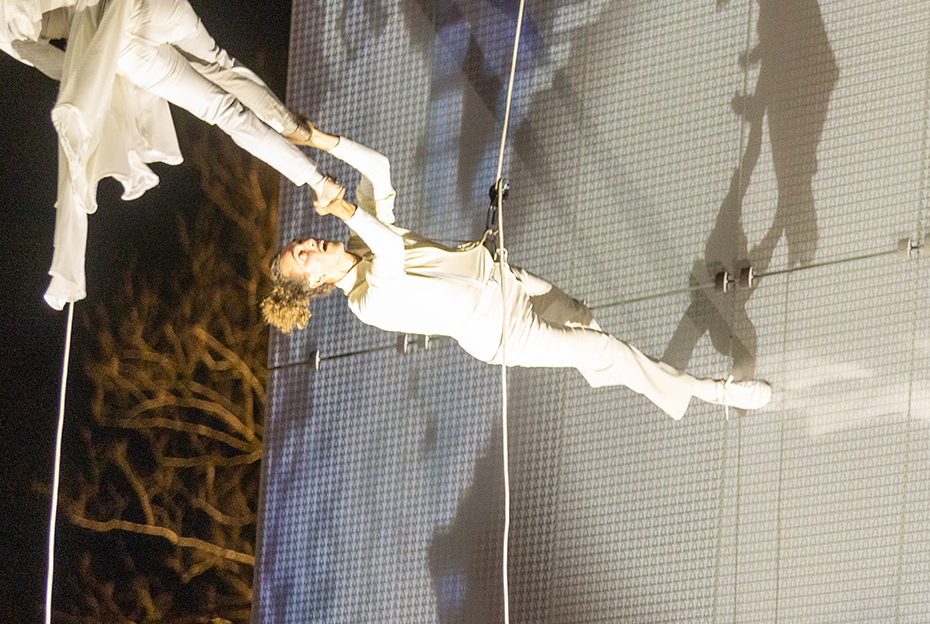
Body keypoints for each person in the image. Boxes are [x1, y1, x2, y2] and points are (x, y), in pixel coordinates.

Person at [0, 0, 343, 306]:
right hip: (147, 6)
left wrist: (92, 79)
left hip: (127, 42)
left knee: (222, 108)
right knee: (221, 65)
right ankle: (294, 133)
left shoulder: (2, 23)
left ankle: (318, 180)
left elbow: (59, 61)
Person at [262, 135, 772, 420]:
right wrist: (346, 209)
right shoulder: (366, 302)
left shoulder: (357, 241)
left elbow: (379, 166)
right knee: (607, 352)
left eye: (300, 243)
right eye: (301, 258)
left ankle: (646, 379)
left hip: (506, 277)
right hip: (501, 331)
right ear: (313, 286)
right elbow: (391, 249)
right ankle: (716, 393)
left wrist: (316, 142)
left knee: (588, 326)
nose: (308, 245)